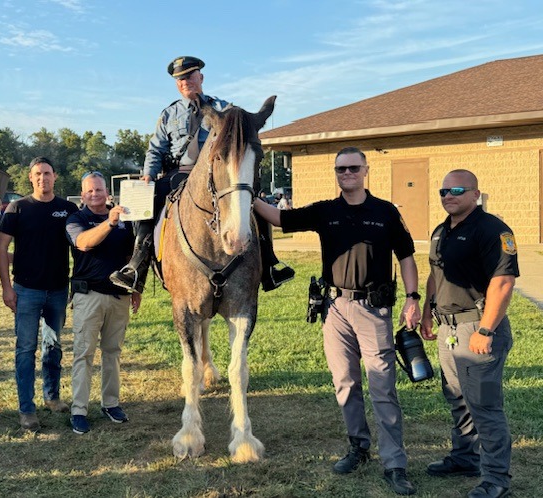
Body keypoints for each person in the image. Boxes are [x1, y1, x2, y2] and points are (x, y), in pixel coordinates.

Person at [254, 146, 420, 496]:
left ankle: (395, 463)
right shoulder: (325, 211)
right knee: (345, 382)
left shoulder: (385, 212)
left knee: (382, 388)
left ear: (366, 170)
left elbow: (406, 256)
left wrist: (412, 298)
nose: (347, 174)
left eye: (353, 168)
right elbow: (281, 219)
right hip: (334, 309)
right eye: (341, 169)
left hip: (374, 311)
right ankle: (358, 447)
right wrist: (246, 195)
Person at [110, 56, 294, 294]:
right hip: (179, 174)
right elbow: (155, 148)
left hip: (217, 173)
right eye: (180, 79)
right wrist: (148, 174)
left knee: (253, 200)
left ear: (201, 77)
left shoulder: (224, 108)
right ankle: (138, 265)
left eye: (189, 76)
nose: (185, 81)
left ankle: (269, 264)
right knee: (149, 201)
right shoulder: (169, 114)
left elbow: (240, 133)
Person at [420, 170, 518, 498]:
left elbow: (503, 282)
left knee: (484, 406)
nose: (449, 195)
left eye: (457, 190)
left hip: (477, 327)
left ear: (475, 193)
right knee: (457, 398)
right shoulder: (440, 231)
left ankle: (495, 479)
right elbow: (435, 274)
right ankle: (464, 458)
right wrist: (426, 314)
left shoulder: (493, 229)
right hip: (448, 326)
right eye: (444, 190)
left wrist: (486, 330)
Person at [0, 156, 79, 431]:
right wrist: (7, 288)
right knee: (25, 349)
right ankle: (26, 409)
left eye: (47, 173)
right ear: (30, 178)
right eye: (37, 174)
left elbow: (80, 247)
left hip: (57, 290)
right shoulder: (17, 209)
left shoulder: (68, 209)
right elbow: (0, 248)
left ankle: (52, 396)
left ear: (55, 176)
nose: (43, 178)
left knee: (53, 347)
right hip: (26, 291)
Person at [65, 172, 141, 434]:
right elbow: (84, 243)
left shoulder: (126, 218)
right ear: (83, 194)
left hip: (119, 294)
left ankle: (111, 403)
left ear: (107, 192)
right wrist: (109, 223)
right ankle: (79, 409)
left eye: (99, 190)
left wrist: (136, 287)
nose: (95, 195)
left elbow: (133, 253)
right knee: (84, 353)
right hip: (89, 295)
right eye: (90, 191)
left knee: (113, 352)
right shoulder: (77, 219)